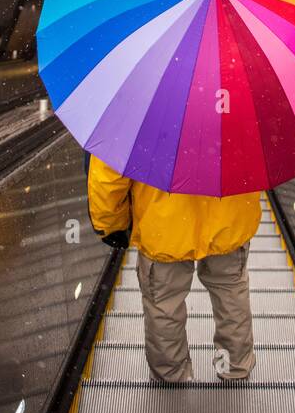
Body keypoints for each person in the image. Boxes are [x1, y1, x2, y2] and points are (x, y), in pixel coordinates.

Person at [86, 151, 261, 384]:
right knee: (231, 295)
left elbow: (108, 173)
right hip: (229, 219)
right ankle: (233, 366)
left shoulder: (132, 115)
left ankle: (171, 376)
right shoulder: (243, 113)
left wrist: (111, 224)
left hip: (163, 225)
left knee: (163, 304)